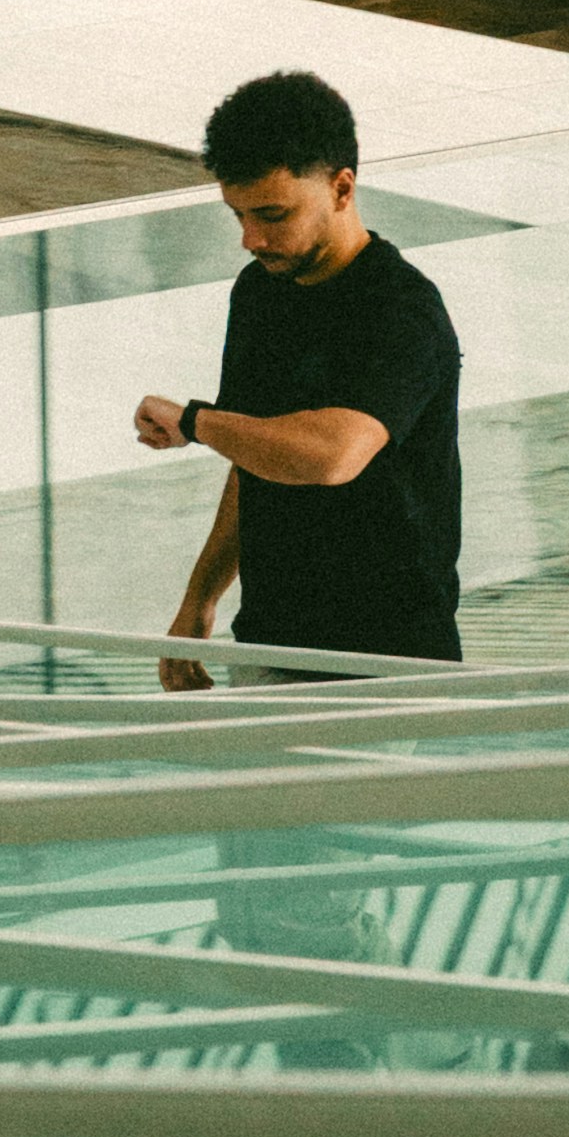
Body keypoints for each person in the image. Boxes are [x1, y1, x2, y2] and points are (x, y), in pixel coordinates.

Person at [134, 67, 463, 688]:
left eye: (272, 214)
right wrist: (199, 602)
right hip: (269, 638)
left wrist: (195, 421)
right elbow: (254, 458)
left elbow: (333, 455)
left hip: (389, 660)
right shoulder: (260, 293)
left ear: (342, 189)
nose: (250, 239)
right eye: (237, 215)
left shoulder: (403, 310)